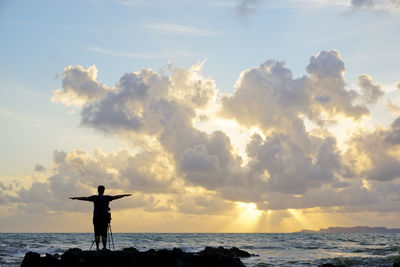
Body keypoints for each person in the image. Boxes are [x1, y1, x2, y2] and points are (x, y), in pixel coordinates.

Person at [70, 185, 131, 250]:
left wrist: (76, 198)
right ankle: (104, 247)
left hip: (96, 217)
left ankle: (97, 248)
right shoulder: (107, 197)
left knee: (97, 233)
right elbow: (115, 197)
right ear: (104, 190)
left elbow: (85, 198)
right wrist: (124, 195)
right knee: (104, 233)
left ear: (98, 190)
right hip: (104, 218)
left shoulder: (94, 197)